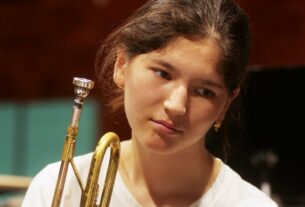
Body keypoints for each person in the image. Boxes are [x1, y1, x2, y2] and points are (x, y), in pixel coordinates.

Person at [22, 0, 278, 206]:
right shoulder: (58, 188)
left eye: (203, 91)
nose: (177, 105)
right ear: (122, 65)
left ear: (226, 103)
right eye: (163, 74)